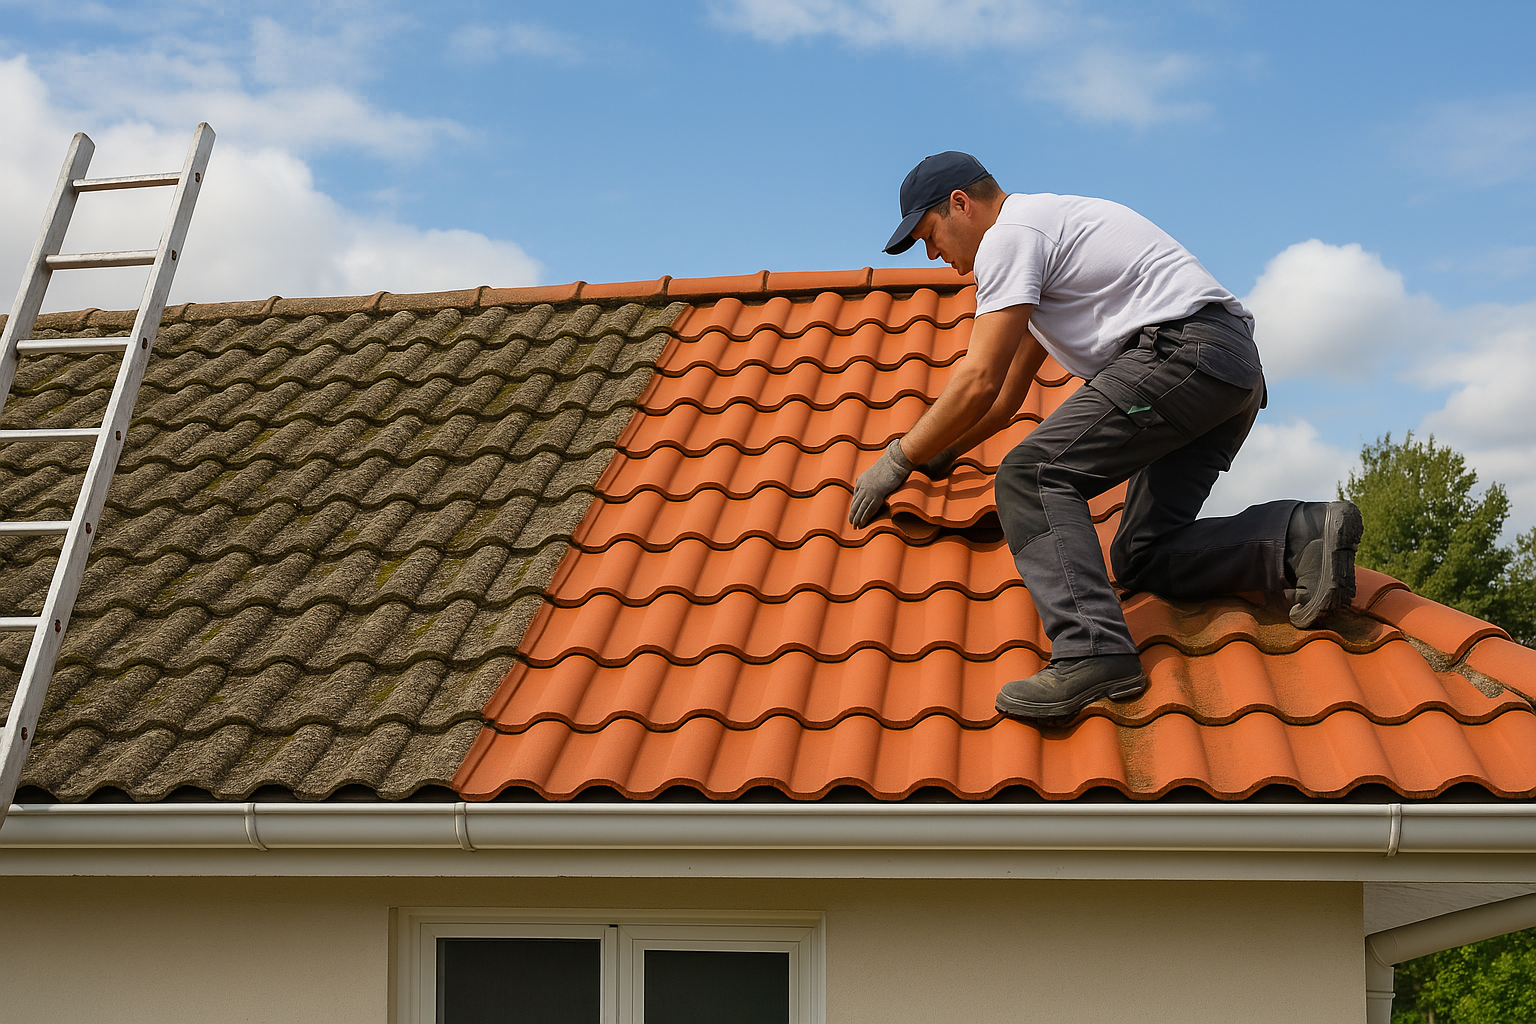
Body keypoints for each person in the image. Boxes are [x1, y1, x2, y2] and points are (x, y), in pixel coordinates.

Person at [851, 151, 1362, 721]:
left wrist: (896, 460)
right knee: (1142, 556)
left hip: (1183, 355)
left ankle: (1092, 650)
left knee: (1030, 474)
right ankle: (1301, 536)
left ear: (961, 205)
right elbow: (1003, 398)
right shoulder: (1042, 247)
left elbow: (977, 378)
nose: (933, 254)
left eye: (929, 234)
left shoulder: (1009, 237)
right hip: (1227, 373)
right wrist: (942, 455)